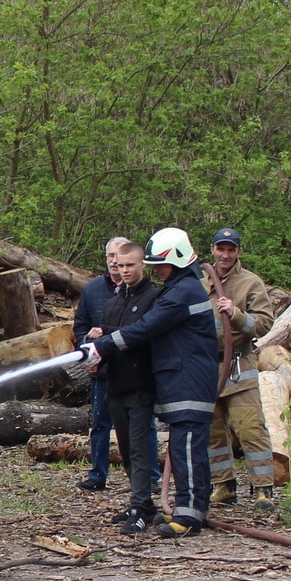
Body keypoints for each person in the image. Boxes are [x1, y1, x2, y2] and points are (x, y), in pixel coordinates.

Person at [79, 227, 221, 538]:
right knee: (184, 448)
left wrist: (102, 346)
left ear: (178, 259)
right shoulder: (180, 287)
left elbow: (146, 327)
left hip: (188, 381)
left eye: (160, 264)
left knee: (186, 448)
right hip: (181, 380)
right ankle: (191, 509)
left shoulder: (181, 292)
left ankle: (188, 517)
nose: (156, 270)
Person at [87, 239, 161, 533]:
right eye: (120, 265)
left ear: (142, 265)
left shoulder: (154, 299)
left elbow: (141, 337)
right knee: (128, 450)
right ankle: (141, 503)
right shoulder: (112, 304)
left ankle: (141, 507)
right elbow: (108, 344)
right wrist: (96, 360)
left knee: (141, 449)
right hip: (114, 386)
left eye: (131, 265)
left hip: (141, 385)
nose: (125, 270)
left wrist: (106, 341)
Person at [204, 228, 279, 509]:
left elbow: (264, 323)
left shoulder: (251, 283)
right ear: (212, 249)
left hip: (238, 368)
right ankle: (223, 486)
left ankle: (263, 490)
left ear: (238, 252)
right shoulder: (201, 282)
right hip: (208, 367)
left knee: (250, 428)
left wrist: (235, 314)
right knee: (212, 431)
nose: (225, 255)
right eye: (221, 249)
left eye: (231, 249)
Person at [69, 243, 120, 492]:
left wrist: (106, 334)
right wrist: (87, 351)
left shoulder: (143, 291)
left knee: (140, 426)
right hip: (100, 372)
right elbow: (80, 327)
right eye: (110, 255)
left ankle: (150, 478)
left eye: (119, 256)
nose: (114, 261)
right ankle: (98, 475)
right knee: (100, 424)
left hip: (132, 372)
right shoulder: (92, 290)